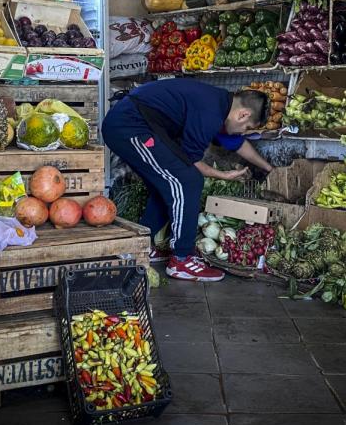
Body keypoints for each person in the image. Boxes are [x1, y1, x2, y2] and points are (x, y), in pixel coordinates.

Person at [103, 79, 274, 282]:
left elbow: (237, 143)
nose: (243, 132)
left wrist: (269, 169)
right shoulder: (211, 112)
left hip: (143, 125)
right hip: (129, 125)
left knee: (167, 186)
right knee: (188, 181)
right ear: (242, 114)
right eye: (246, 127)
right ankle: (182, 260)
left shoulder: (221, 105)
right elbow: (191, 163)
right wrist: (223, 175)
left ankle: (139, 248)